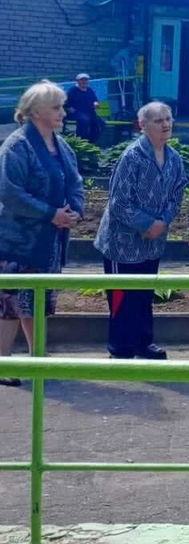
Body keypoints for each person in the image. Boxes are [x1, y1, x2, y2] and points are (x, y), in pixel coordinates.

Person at [0, 82, 86, 380]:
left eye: (62, 107)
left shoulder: (62, 146)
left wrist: (74, 211)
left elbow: (75, 183)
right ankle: (4, 362)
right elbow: (9, 192)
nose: (63, 112)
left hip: (50, 240)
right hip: (17, 240)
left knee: (37, 300)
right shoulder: (16, 146)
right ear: (36, 112)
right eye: (56, 107)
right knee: (10, 302)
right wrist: (51, 213)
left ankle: (38, 358)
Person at [93, 101, 188, 361]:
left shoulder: (174, 158)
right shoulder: (132, 156)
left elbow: (178, 194)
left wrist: (162, 222)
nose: (165, 124)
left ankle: (144, 343)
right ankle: (120, 349)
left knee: (145, 294)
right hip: (122, 243)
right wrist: (146, 224)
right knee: (122, 296)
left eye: (168, 119)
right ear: (142, 125)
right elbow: (118, 202)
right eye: (158, 120)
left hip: (152, 243)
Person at [65, 74, 104, 144]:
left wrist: (96, 103)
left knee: (100, 122)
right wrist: (72, 110)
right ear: (77, 81)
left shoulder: (90, 90)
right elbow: (67, 103)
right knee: (84, 120)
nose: (84, 81)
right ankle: (80, 141)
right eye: (82, 80)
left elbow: (95, 100)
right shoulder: (72, 90)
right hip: (75, 113)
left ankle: (91, 142)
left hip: (89, 113)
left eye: (86, 80)